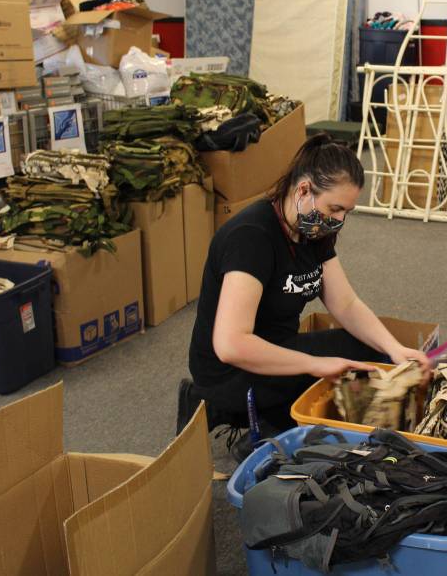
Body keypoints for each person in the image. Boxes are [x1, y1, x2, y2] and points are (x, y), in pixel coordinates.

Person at [179, 133, 431, 455]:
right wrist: (315, 364)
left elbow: (346, 303)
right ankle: (236, 414)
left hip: (277, 347)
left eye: (347, 212)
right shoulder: (251, 237)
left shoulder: (314, 229)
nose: (340, 220)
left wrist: (395, 348)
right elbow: (231, 345)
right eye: (335, 208)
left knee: (371, 350)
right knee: (343, 369)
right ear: (303, 191)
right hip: (230, 369)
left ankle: (276, 420)